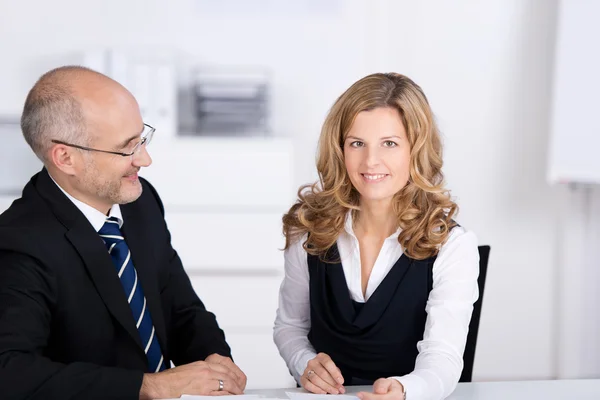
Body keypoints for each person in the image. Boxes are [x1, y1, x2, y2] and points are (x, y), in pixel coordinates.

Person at [0, 66, 247, 400]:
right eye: (128, 148)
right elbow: (10, 371)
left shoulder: (139, 202)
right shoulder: (18, 243)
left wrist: (214, 361)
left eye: (142, 138)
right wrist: (150, 387)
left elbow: (179, 307)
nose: (145, 159)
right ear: (66, 158)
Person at [273, 73, 479, 400]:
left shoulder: (453, 246)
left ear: (417, 149)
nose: (370, 161)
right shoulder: (308, 231)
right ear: (339, 148)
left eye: (390, 143)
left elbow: (443, 356)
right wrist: (304, 363)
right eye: (357, 143)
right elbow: (290, 327)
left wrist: (405, 390)